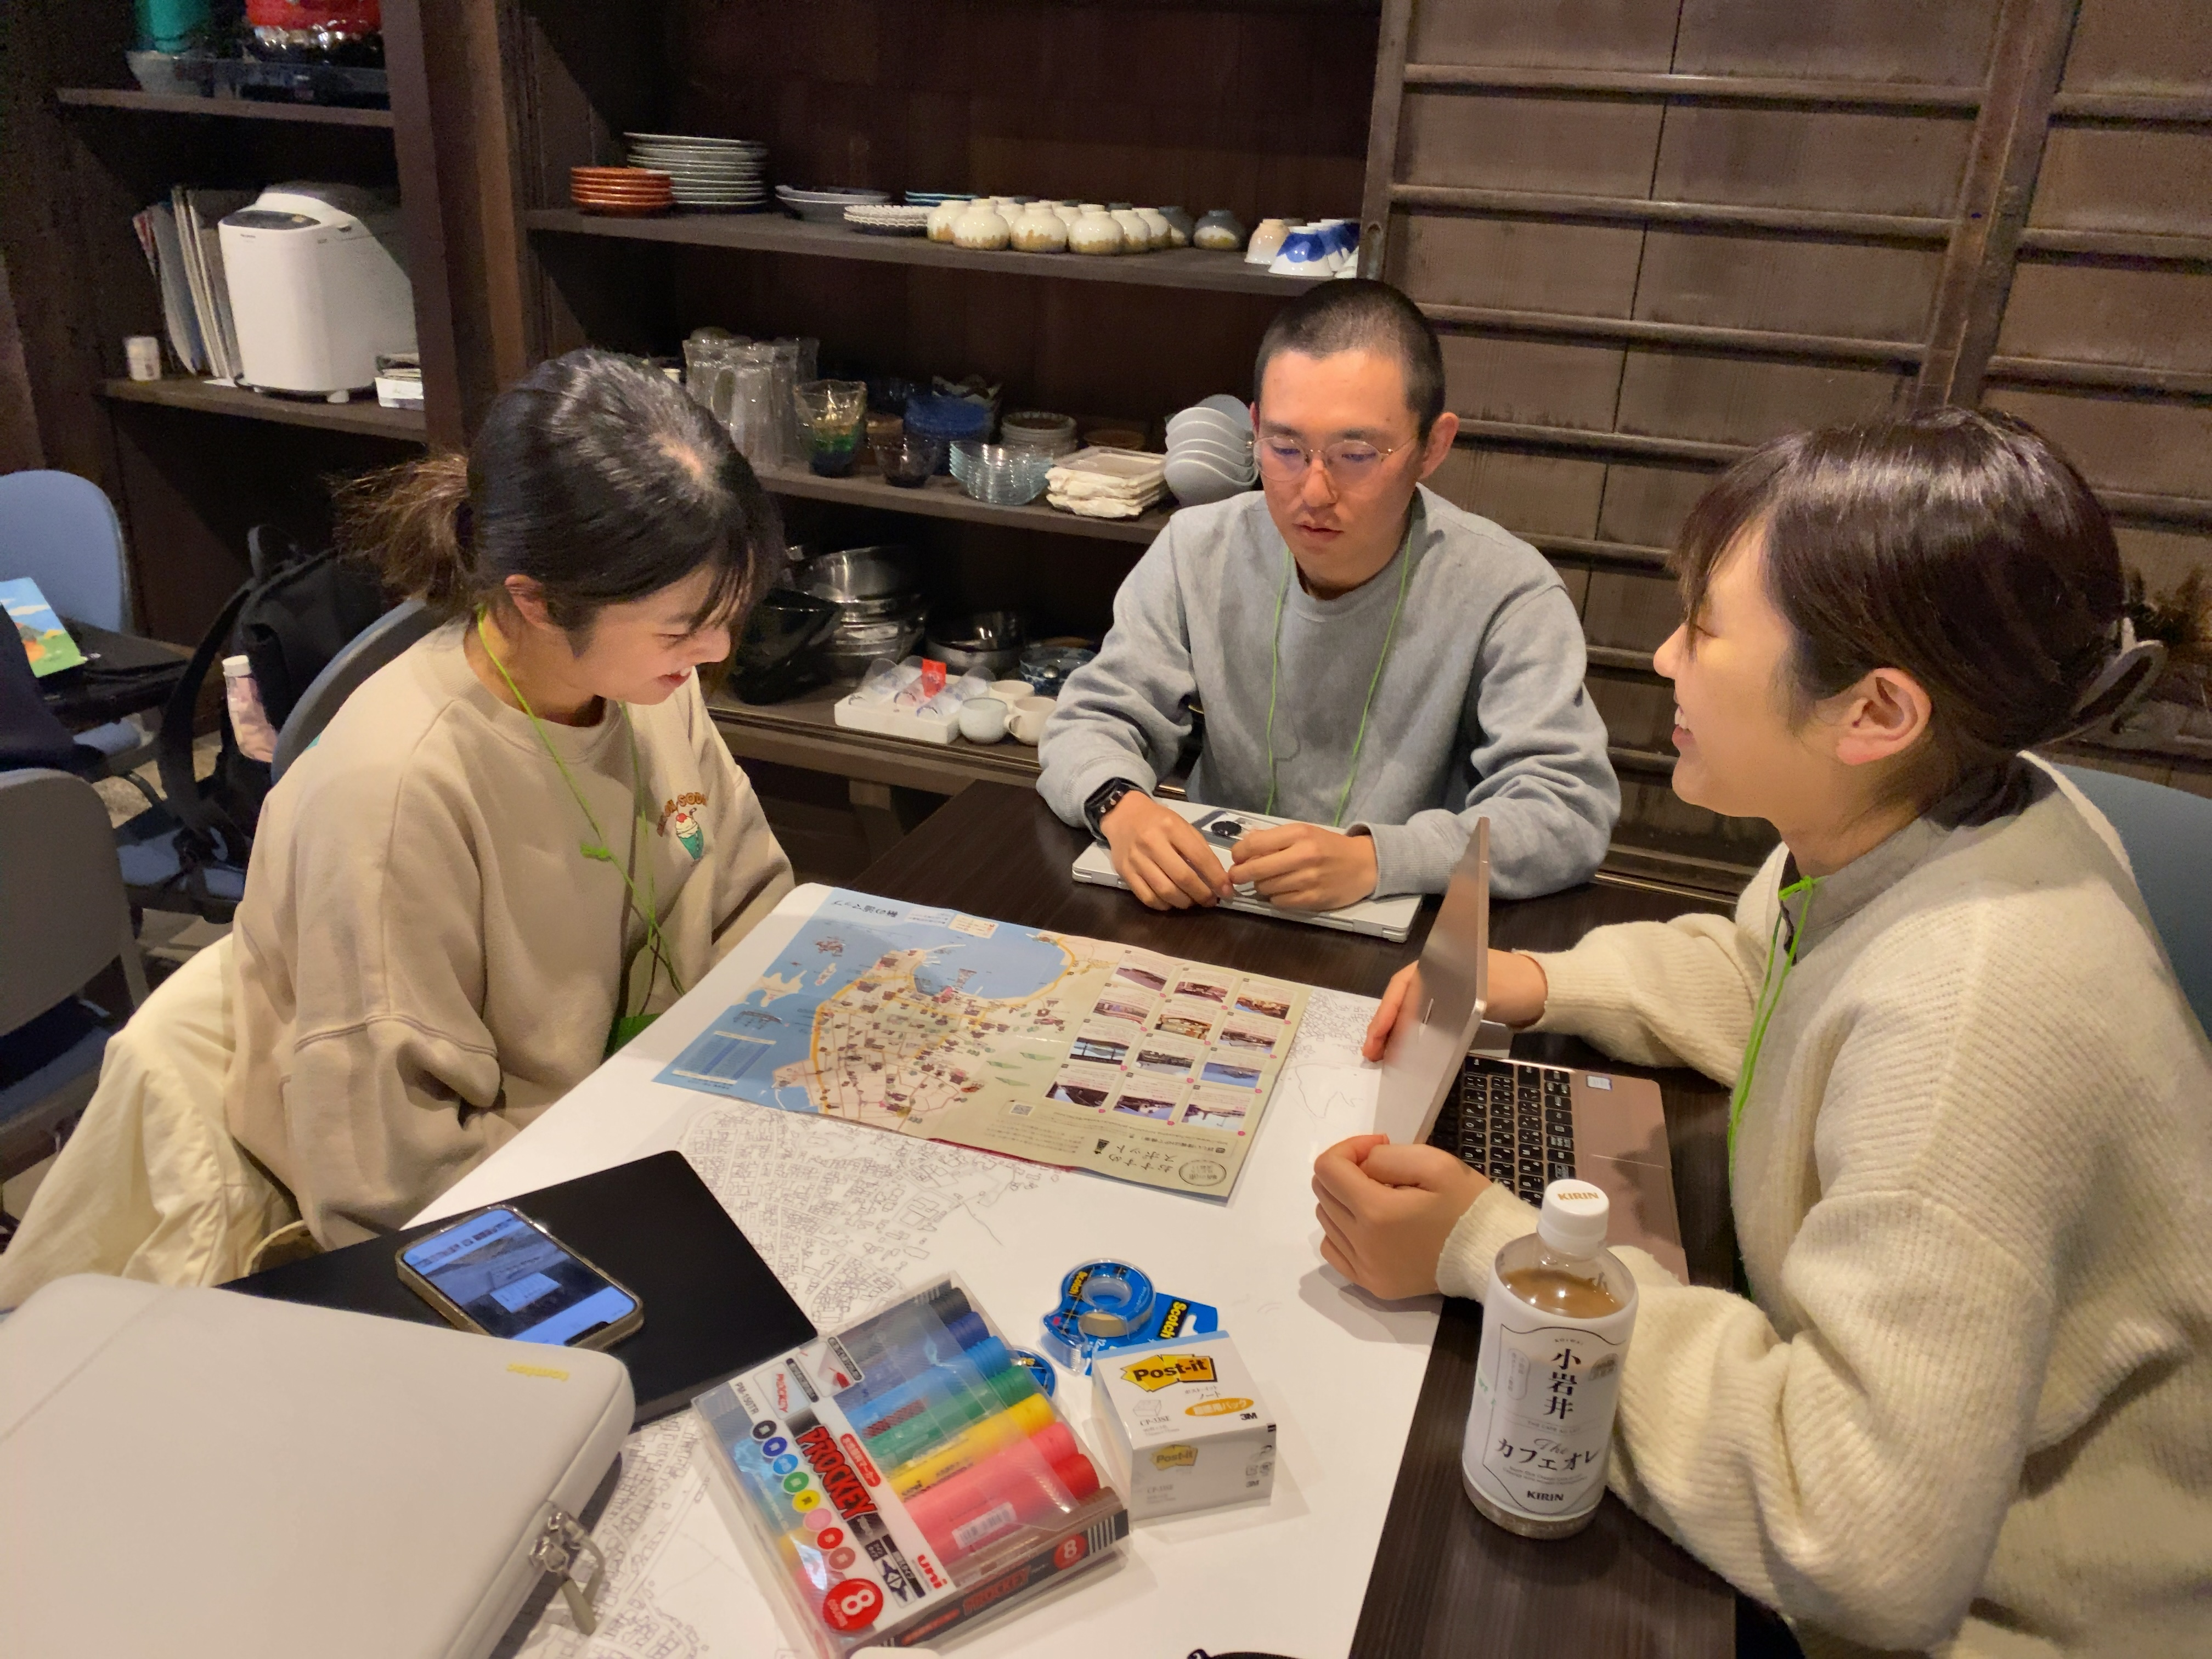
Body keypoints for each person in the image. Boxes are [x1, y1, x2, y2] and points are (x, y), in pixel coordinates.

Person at [1316, 409, 2211, 1657]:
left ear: (1875, 711)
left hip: (2010, 1611)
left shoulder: (1971, 1009)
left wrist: (1490, 1250)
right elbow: (1769, 977)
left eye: (1705, 627)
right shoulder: (1950, 811)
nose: (1665, 657)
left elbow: (1864, 1542)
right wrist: (1533, 981)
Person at [226, 349, 795, 1246]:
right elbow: (393, 1185)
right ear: (535, 600)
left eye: (728, 615)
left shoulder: (648, 684)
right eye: (684, 627)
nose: (717, 651)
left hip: (656, 1125)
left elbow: (750, 903)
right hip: (509, 1205)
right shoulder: (394, 794)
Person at [1036, 280, 1618, 912]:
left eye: (1356, 454)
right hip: (1215, 900)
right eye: (1286, 449)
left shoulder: (1506, 590)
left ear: (1433, 446)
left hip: (1402, 920)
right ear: (1254, 428)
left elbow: (1567, 810)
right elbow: (1092, 720)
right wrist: (1120, 806)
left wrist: (1379, 859)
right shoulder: (1196, 549)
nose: (1314, 492)